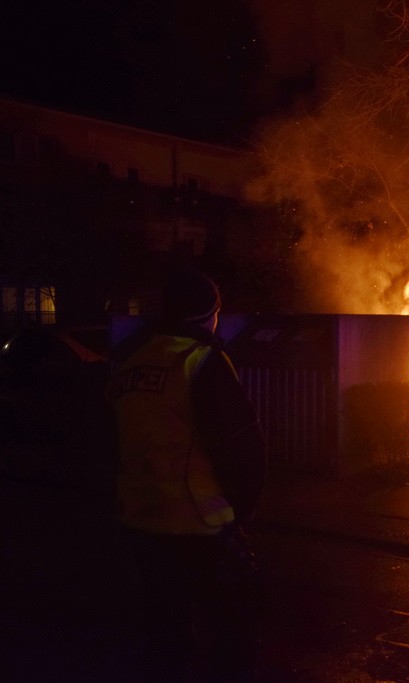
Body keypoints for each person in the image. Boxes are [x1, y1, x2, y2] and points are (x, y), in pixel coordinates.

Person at [107, 268, 266, 681]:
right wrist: (241, 512)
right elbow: (241, 446)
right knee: (233, 633)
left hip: (141, 524)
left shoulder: (128, 361)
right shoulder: (202, 361)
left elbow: (108, 442)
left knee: (165, 633)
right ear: (210, 313)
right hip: (201, 527)